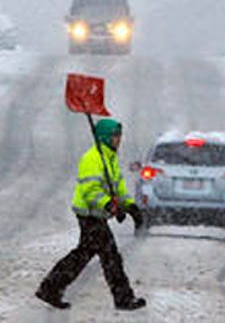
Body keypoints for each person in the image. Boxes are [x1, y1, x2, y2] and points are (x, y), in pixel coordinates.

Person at [36, 118, 147, 311]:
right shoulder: (92, 158)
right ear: (105, 137)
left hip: (98, 214)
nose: (119, 139)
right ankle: (123, 298)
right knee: (110, 255)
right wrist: (107, 205)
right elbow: (90, 190)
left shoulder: (109, 158)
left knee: (84, 253)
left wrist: (130, 207)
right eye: (115, 136)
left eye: (120, 135)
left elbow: (118, 187)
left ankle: (51, 288)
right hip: (89, 213)